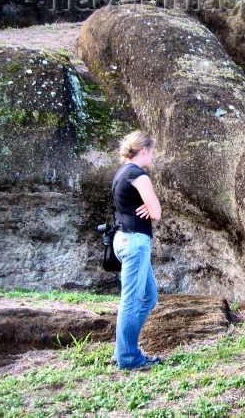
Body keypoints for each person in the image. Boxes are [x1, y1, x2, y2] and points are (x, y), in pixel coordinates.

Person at [112, 131, 162, 370]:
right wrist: (150, 205)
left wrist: (145, 204)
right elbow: (157, 213)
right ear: (144, 150)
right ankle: (128, 357)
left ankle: (123, 349)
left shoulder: (122, 173)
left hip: (124, 239)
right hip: (135, 242)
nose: (153, 156)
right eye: (152, 151)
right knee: (132, 300)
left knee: (149, 297)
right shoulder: (139, 175)